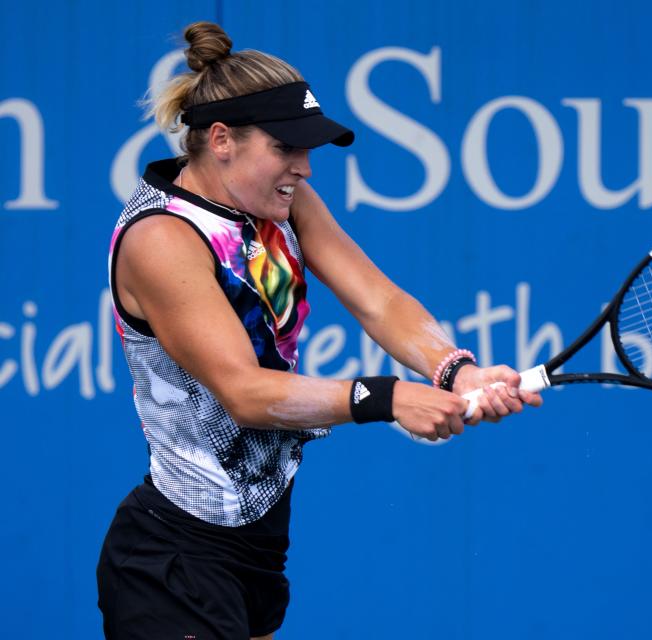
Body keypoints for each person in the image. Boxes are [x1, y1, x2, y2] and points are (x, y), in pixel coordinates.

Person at [97, 21, 541, 640]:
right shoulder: (161, 239)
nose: (304, 168)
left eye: (307, 150)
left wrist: (454, 369)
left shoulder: (282, 202)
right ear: (221, 139)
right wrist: (386, 398)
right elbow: (244, 393)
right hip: (174, 561)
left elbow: (378, 300)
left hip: (257, 547)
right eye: (286, 148)